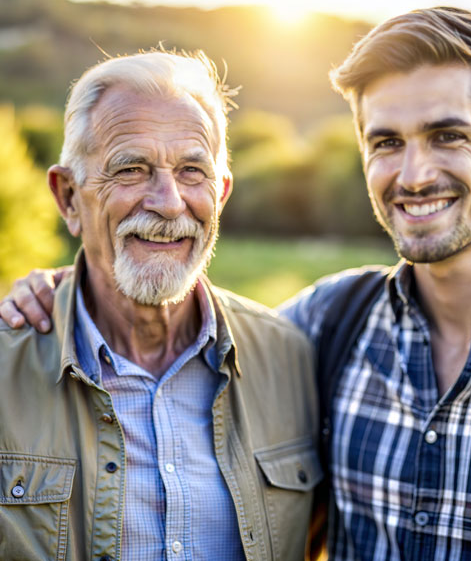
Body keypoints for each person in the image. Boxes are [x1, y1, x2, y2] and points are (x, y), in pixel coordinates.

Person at [3, 6, 471, 561]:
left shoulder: (298, 343)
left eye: (448, 136)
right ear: (68, 197)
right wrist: (68, 290)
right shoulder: (330, 324)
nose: (415, 175)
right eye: (386, 142)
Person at [0, 50, 321, 561]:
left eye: (193, 171)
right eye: (131, 169)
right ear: (67, 197)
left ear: (221, 194)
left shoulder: (294, 361)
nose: (169, 202)